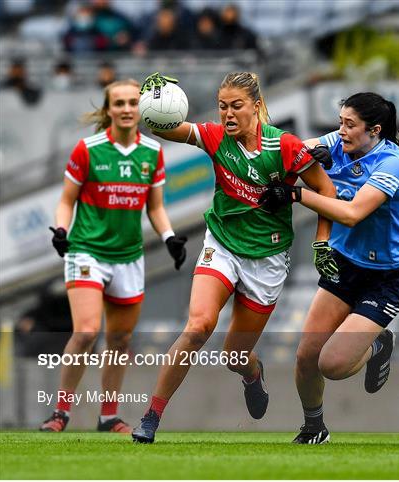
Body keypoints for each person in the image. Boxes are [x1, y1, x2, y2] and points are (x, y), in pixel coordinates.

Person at [131, 71, 336, 443]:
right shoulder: (214, 137)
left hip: (267, 258)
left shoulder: (284, 147)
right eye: (222, 106)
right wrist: (152, 102)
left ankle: (251, 372)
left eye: (236, 106)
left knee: (234, 356)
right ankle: (150, 418)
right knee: (197, 327)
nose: (228, 114)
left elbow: (327, 191)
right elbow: (166, 129)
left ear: (256, 107)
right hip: (222, 245)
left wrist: (322, 241)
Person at [260, 92, 399, 444]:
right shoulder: (335, 142)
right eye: (340, 122)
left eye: (350, 125)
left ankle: (378, 345)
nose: (341, 131)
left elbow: (352, 213)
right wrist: (295, 156)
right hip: (345, 263)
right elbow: (285, 152)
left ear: (374, 131)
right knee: (305, 356)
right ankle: (314, 427)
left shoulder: (391, 162)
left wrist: (297, 193)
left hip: (388, 275)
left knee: (332, 365)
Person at [39, 79, 188, 433]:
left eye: (132, 103)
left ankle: (108, 416)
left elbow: (155, 207)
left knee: (120, 339)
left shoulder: (152, 152)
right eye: (118, 103)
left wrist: (169, 238)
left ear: (141, 109)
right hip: (87, 250)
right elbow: (66, 200)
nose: (125, 109)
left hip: (128, 256)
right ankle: (60, 412)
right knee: (88, 331)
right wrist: (61, 231)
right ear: (108, 110)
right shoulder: (87, 149)